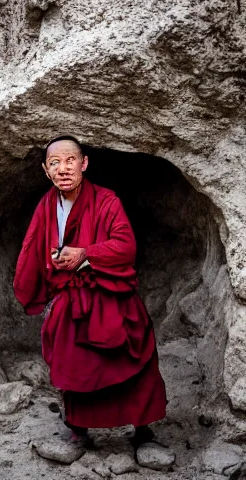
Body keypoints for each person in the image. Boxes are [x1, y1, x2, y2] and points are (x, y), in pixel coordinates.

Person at [13, 136, 166, 446]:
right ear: (46, 171)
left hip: (112, 296)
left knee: (135, 363)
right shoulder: (46, 206)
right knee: (74, 368)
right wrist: (47, 271)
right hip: (72, 299)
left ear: (83, 164)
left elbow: (125, 246)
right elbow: (33, 248)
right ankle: (79, 434)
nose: (63, 169)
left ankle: (143, 434)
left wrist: (85, 253)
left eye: (70, 161)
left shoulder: (106, 200)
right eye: (54, 163)